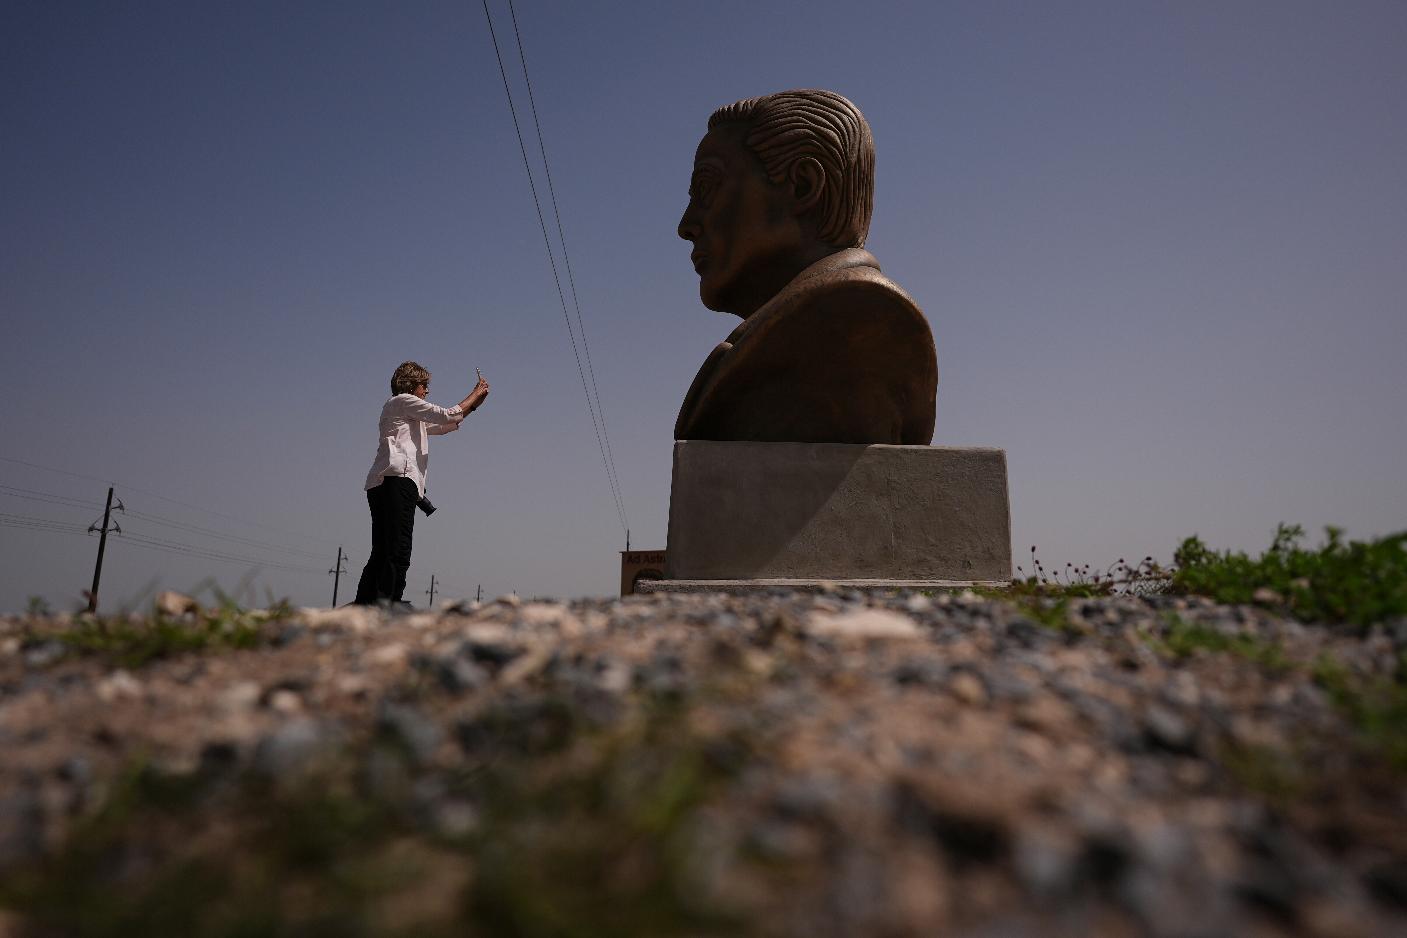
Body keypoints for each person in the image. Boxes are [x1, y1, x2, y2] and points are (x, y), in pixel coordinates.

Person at [674, 89, 937, 445]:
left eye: (707, 189)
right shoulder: (786, 334)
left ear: (803, 186)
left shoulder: (857, 323)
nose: (686, 225)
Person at [353, 361, 489, 607]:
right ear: (410, 385)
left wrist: (474, 406)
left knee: (383, 549)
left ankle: (366, 602)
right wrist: (475, 393)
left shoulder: (403, 411)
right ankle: (388, 603)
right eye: (424, 385)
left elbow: (445, 425)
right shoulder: (403, 401)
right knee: (399, 548)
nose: (427, 390)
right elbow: (447, 414)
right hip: (398, 481)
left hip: (382, 483)